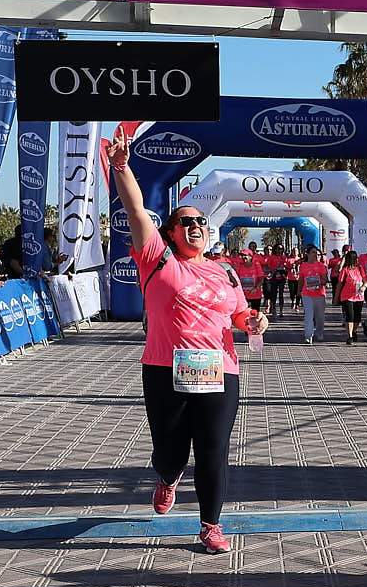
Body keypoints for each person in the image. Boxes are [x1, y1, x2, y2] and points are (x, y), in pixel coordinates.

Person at [106, 139, 263, 555]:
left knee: (213, 449)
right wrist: (122, 168)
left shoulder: (225, 272)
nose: (196, 226)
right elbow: (136, 211)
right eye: (186, 221)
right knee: (170, 450)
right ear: (171, 233)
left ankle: (211, 525)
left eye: (201, 222)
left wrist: (253, 321)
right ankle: (168, 476)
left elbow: (239, 315)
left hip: (219, 369)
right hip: (164, 369)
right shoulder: (157, 260)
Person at [297, 245, 333, 344]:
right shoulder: (303, 266)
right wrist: (298, 291)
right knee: (308, 315)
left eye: (317, 254)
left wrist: (319, 282)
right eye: (313, 252)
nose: (316, 255)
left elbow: (325, 280)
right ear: (308, 254)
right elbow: (301, 279)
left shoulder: (321, 266)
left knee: (320, 316)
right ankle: (308, 336)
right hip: (307, 294)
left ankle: (319, 332)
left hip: (319, 294)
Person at [335, 247, 367, 344]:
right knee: (350, 316)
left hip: (358, 296)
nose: (356, 260)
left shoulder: (360, 269)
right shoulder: (345, 270)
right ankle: (349, 336)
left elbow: (365, 282)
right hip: (347, 297)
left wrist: (364, 287)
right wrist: (336, 297)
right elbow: (340, 284)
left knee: (357, 317)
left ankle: (354, 331)